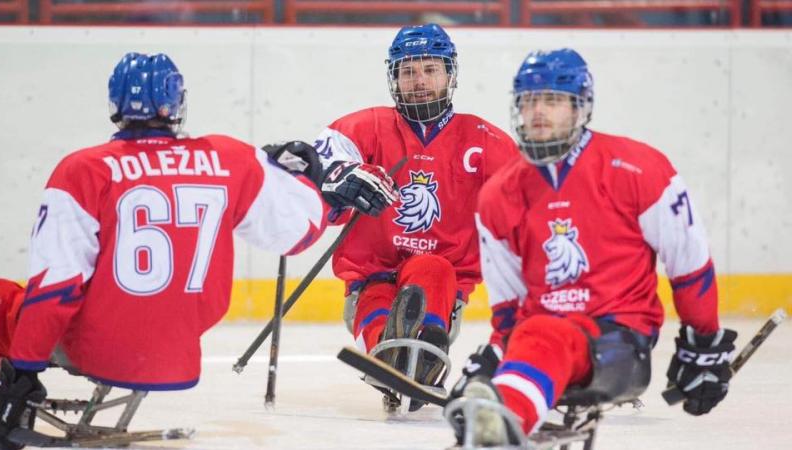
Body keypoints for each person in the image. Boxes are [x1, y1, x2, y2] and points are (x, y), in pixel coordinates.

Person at [0, 52, 334, 450]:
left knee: (0, 299)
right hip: (179, 353)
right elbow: (299, 234)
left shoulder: (83, 170)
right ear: (177, 103)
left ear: (114, 104)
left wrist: (24, 370)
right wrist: (310, 184)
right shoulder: (231, 159)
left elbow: (57, 286)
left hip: (99, 348)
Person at [448, 48, 737, 446]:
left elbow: (689, 262)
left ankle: (503, 420)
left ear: (580, 107)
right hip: (539, 339)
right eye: (529, 101)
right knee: (539, 333)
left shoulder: (639, 169)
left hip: (618, 343)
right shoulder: (498, 194)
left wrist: (702, 344)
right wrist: (497, 355)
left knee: (545, 334)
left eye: (552, 100)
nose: (538, 112)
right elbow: (509, 306)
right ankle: (504, 409)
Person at [313, 23, 519, 409]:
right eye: (408, 71)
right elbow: (317, 165)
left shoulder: (486, 141)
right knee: (377, 292)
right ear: (394, 77)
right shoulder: (363, 128)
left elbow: (528, 209)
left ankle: (424, 350)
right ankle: (389, 357)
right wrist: (337, 178)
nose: (419, 80)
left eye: (430, 69)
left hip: (440, 292)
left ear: (450, 73)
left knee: (433, 268)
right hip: (369, 279)